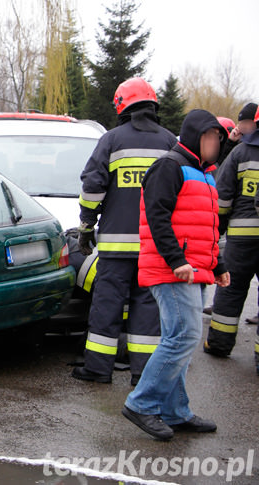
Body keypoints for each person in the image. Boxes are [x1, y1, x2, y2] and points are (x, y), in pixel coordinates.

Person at [122, 109, 229, 440]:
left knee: (180, 339)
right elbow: (156, 217)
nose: (214, 144)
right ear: (196, 135)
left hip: (193, 270)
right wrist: (175, 260)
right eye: (210, 137)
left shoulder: (204, 172)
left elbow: (205, 227)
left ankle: (175, 411)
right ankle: (142, 403)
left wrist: (218, 265)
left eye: (218, 139)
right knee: (183, 336)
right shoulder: (169, 166)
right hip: (172, 269)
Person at [72, 78, 176, 386]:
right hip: (155, 247)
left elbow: (92, 186)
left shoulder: (112, 140)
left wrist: (86, 225)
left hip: (116, 248)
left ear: (122, 105)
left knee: (107, 305)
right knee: (148, 307)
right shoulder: (170, 143)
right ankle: (143, 374)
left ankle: (98, 369)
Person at [204, 104, 259, 363]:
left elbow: (222, 198)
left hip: (241, 237)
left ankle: (219, 344)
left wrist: (219, 230)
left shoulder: (241, 153)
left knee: (231, 287)